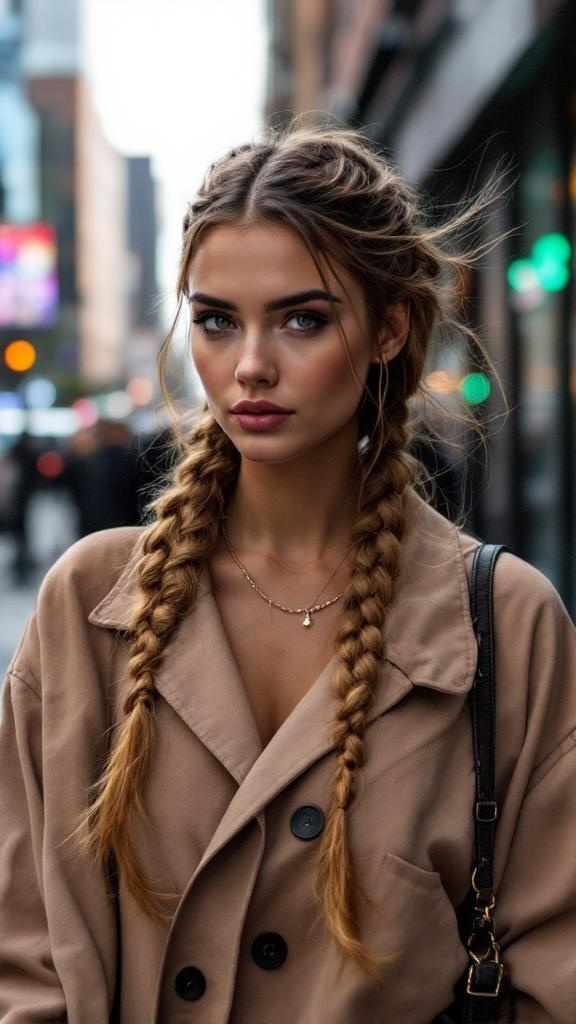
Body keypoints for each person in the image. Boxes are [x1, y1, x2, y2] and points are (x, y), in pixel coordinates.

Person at [0, 125, 575, 1024]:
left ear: (387, 327)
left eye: (302, 318)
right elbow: (22, 952)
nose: (250, 366)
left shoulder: (504, 622)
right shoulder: (89, 606)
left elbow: (554, 969)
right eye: (217, 320)